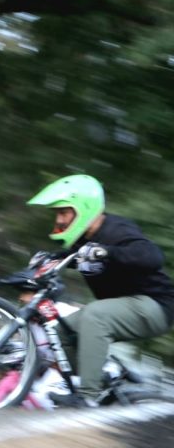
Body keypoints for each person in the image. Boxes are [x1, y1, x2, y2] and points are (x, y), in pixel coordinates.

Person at [27, 174, 174, 407]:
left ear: (84, 208)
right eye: (58, 214)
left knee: (95, 315)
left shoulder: (117, 229)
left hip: (154, 305)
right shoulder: (83, 241)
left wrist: (108, 252)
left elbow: (153, 257)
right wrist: (50, 258)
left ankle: (88, 396)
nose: (60, 219)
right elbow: (74, 257)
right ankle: (104, 373)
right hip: (124, 305)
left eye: (64, 212)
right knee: (60, 334)